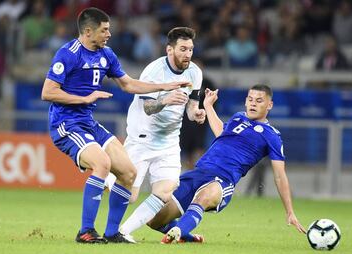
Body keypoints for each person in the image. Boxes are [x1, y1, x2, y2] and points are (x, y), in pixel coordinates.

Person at [41, 7, 189, 244]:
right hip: (66, 124)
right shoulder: (68, 53)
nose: (109, 34)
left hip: (88, 123)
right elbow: (48, 92)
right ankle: (86, 231)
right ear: (88, 31)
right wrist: (84, 99)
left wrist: (165, 87)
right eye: (104, 30)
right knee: (102, 163)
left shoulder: (107, 54)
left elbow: (128, 85)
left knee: (128, 172)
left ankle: (112, 232)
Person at [146, 85, 306, 244]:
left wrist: (290, 211)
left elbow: (279, 175)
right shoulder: (238, 117)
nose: (253, 104)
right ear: (245, 101)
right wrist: (208, 106)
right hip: (199, 172)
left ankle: (177, 233)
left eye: (259, 101)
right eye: (250, 99)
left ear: (269, 105)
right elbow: (221, 133)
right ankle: (188, 237)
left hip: (223, 180)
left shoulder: (272, 136)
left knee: (203, 197)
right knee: (153, 221)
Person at [104, 27, 205, 243]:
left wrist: (196, 113)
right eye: (183, 49)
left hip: (169, 140)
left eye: (191, 49)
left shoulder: (195, 72)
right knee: (130, 196)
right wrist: (165, 100)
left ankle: (122, 231)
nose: (188, 54)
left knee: (166, 191)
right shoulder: (154, 71)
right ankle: (111, 177)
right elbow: (148, 107)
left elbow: (191, 106)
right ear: (170, 49)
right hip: (143, 137)